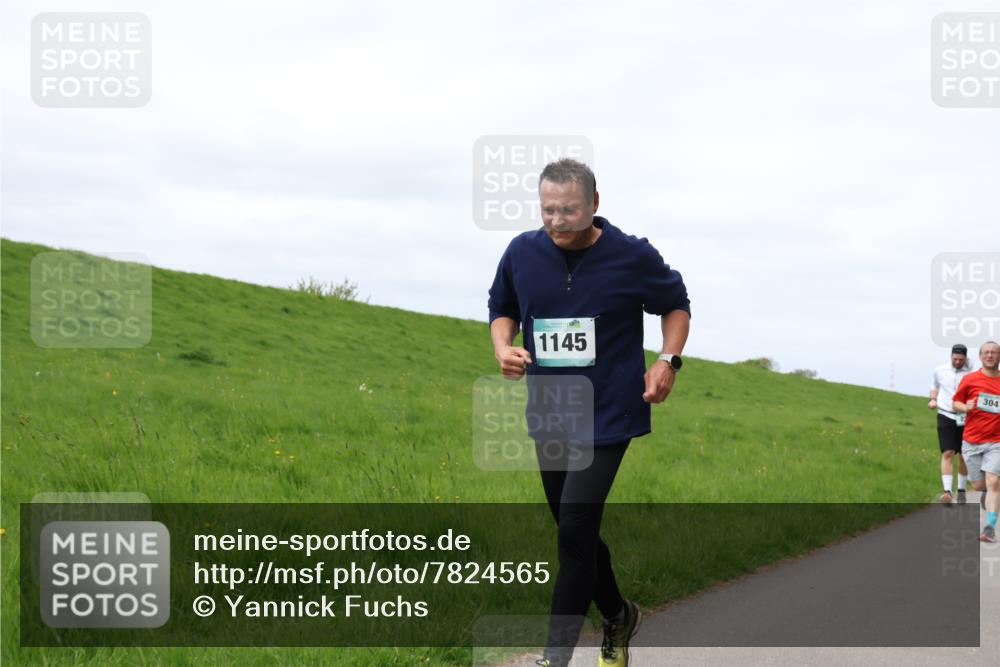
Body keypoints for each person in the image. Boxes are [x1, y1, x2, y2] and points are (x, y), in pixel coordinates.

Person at [487, 158, 690, 667]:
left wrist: (667, 360)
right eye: (548, 210)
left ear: (594, 204)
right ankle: (618, 615)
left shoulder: (631, 255)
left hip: (609, 412)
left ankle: (553, 658)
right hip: (550, 411)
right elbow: (502, 308)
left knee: (575, 527)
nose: (556, 221)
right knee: (571, 528)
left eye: (569, 210)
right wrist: (503, 347)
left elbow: (676, 304)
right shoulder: (522, 252)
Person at [953, 341, 1000, 543]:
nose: (990, 355)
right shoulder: (970, 379)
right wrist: (966, 407)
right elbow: (955, 403)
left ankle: (990, 528)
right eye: (986, 352)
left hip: (996, 441)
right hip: (972, 441)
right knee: (980, 485)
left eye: (994, 352)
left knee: (993, 481)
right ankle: (985, 492)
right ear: (980, 356)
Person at [929, 344, 972, 504]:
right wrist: (933, 399)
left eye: (961, 359)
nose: (957, 362)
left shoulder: (971, 373)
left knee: (964, 455)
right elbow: (934, 385)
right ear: (951, 356)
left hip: (966, 416)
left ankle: (961, 490)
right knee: (947, 452)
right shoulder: (940, 370)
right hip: (946, 414)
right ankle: (947, 492)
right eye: (955, 359)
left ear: (965, 358)